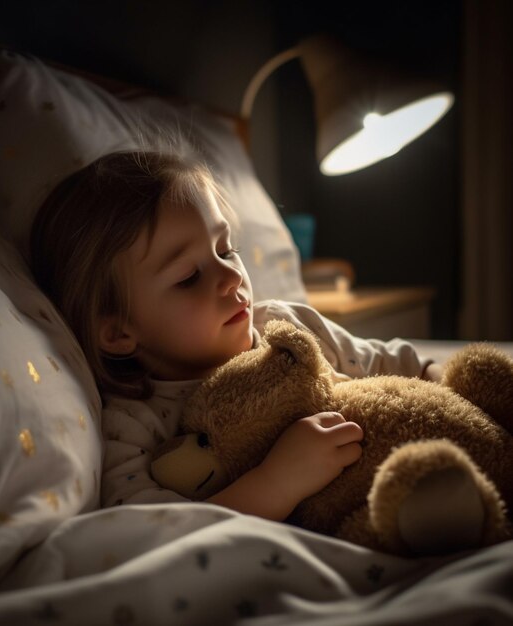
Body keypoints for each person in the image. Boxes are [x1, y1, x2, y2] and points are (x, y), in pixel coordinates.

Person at [30, 150, 441, 522]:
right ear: (119, 332)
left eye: (226, 250)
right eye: (189, 277)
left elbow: (393, 362)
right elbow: (149, 527)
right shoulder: (136, 421)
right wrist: (276, 483)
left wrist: (438, 374)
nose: (231, 276)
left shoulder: (284, 327)